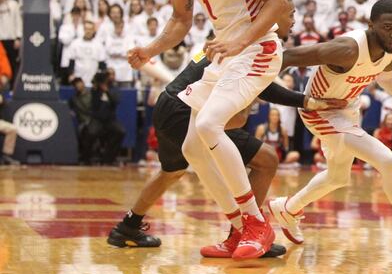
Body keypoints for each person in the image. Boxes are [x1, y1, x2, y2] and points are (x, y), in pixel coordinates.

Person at [127, 0, 291, 260]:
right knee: (191, 149)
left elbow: (279, 2)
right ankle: (237, 230)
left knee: (210, 125)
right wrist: (150, 50)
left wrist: (239, 41)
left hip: (259, 48)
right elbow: (181, 19)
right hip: (227, 54)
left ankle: (255, 223)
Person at [107, 39, 345, 254]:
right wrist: (306, 101)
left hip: (169, 104)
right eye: (288, 13)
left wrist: (305, 102)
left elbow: (261, 84)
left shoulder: (233, 35)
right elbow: (261, 88)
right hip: (186, 109)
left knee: (171, 172)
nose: (291, 20)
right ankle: (247, 233)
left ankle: (127, 227)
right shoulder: (251, 40)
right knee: (266, 160)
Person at [267, 0, 392, 247]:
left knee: (338, 177)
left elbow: (386, 78)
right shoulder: (347, 48)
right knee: (387, 160)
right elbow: (286, 57)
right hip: (318, 111)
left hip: (348, 109)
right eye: (387, 27)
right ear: (371, 25)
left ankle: (287, 209)